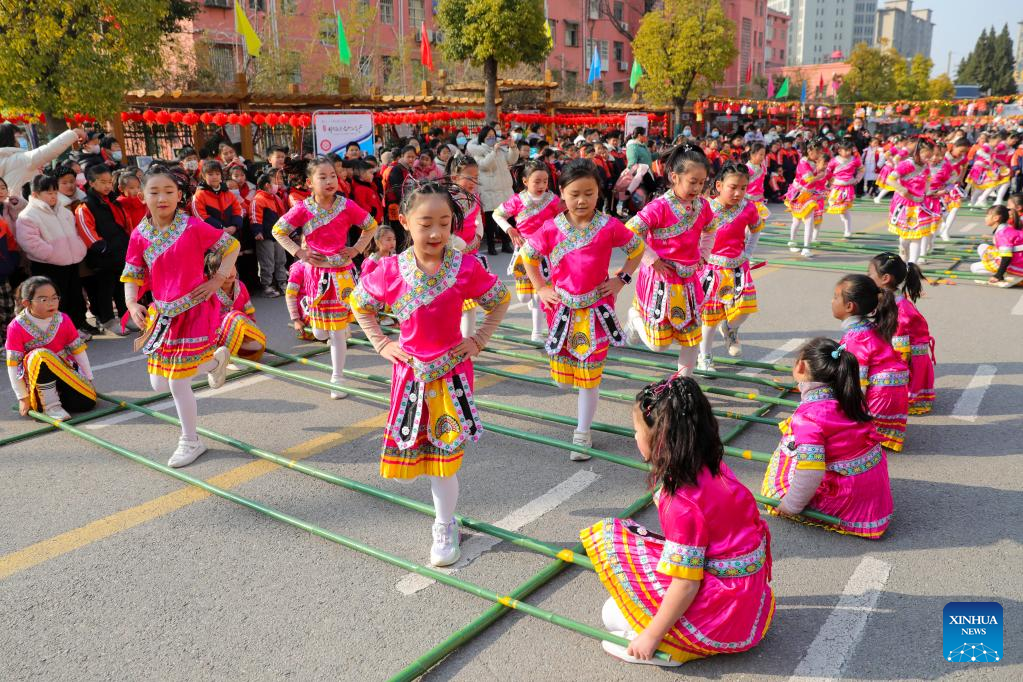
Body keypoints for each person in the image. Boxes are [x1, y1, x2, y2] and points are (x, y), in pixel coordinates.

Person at [351, 180, 510, 567]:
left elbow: (499, 299)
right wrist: (381, 343)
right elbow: (359, 302)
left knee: (446, 455)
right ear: (404, 221)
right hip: (410, 377)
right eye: (426, 223)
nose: (437, 232)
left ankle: (444, 524)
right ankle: (444, 519)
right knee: (425, 453)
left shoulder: (466, 266)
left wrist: (478, 340)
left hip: (452, 375)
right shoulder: (390, 269)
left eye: (445, 222)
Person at [580, 374, 774, 666]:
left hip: (723, 609)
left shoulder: (680, 503)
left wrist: (651, 636)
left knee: (612, 614)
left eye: (637, 430)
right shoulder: (713, 464)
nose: (634, 437)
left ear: (659, 440)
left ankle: (674, 650)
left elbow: (685, 585)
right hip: (749, 593)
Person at [522, 160, 644, 455]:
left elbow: (636, 249)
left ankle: (582, 432)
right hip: (561, 313)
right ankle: (579, 416)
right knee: (564, 382)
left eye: (589, 193)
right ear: (562, 192)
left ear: (598, 193)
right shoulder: (551, 228)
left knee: (590, 378)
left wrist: (621, 280)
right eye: (575, 193)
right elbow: (528, 256)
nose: (581, 200)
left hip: (596, 311)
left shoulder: (609, 226)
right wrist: (540, 286)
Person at [121, 164, 237, 467]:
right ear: (141, 196)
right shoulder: (139, 234)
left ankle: (190, 440)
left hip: (195, 308)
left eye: (169, 191)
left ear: (179, 195)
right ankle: (215, 361)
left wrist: (217, 279)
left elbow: (232, 246)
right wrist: (133, 304)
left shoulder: (193, 226)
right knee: (158, 383)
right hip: (162, 314)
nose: (162, 198)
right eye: (154, 192)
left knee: (176, 381)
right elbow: (131, 274)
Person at [761, 337, 893, 538]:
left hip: (849, 497)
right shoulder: (848, 396)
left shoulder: (808, 416)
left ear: (801, 366)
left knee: (775, 485)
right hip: (874, 488)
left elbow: (811, 472)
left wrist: (790, 505)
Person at [272, 157, 377, 397]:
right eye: (323, 177)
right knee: (320, 331)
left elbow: (371, 225)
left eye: (333, 176)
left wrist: (357, 249)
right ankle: (317, 322)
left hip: (340, 273)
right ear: (309, 182)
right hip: (315, 274)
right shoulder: (302, 208)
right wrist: (299, 252)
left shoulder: (346, 205)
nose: (330, 181)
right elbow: (278, 231)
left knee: (337, 331)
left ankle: (337, 377)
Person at [624, 145, 713, 376]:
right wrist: (651, 259)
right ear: (675, 177)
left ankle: (685, 382)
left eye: (702, 183)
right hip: (660, 278)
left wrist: (704, 254)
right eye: (692, 182)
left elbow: (710, 229)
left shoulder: (702, 206)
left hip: (688, 279)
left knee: (691, 336)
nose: (698, 188)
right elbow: (631, 231)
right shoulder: (659, 207)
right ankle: (635, 319)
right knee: (659, 344)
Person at [832, 274, 909, 452]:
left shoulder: (856, 337)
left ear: (849, 306)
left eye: (836, 297)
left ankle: (867, 430)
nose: (832, 301)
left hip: (881, 398)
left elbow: (858, 384)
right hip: (894, 397)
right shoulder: (870, 328)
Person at [699, 163, 764, 367]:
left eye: (743, 188)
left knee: (744, 308)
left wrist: (748, 253)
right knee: (710, 318)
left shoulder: (748, 208)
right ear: (719, 185)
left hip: (738, 267)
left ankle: (730, 328)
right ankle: (705, 356)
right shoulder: (705, 208)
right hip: (712, 269)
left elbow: (755, 229)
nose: (738, 193)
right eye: (733, 187)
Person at [6, 276, 96, 420]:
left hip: (63, 369)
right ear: (27, 303)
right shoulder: (16, 327)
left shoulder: (63, 319)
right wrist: (22, 397)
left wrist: (88, 379)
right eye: (43, 299)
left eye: (54, 298)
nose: (51, 303)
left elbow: (78, 351)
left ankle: (59, 395)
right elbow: (13, 365)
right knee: (41, 355)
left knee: (85, 404)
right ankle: (51, 406)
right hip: (36, 379)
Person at [492, 159, 563, 341]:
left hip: (545, 255)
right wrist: (510, 229)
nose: (541, 185)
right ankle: (534, 306)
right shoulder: (517, 200)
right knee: (525, 298)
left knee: (540, 293)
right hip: (523, 252)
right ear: (525, 181)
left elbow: (563, 218)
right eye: (537, 181)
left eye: (545, 181)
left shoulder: (553, 200)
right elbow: (497, 214)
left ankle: (537, 332)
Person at [15, 175, 89, 336]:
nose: (53, 196)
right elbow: (29, 242)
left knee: (74, 296)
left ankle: (74, 329)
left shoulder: (64, 211)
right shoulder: (28, 215)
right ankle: (57, 333)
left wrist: (78, 248)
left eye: (55, 192)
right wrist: (51, 253)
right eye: (48, 193)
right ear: (35, 195)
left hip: (71, 262)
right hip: (47, 265)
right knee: (53, 300)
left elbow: (76, 232)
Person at [869, 253, 934, 415]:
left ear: (885, 278)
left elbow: (901, 352)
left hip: (907, 360)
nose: (867, 277)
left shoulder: (900, 309)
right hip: (899, 354)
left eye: (870, 274)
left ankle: (905, 392)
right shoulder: (886, 298)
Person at [75, 164, 130, 336]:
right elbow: (86, 229)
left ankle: (125, 316)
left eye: (109, 181)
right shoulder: (86, 205)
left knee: (122, 287)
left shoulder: (114, 200)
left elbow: (125, 221)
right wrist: (101, 247)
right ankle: (108, 320)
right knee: (105, 290)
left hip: (120, 252)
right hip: (103, 257)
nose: (107, 185)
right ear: (92, 183)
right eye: (102, 182)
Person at [447, 155, 488, 338]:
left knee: (469, 301)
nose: (474, 182)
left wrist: (478, 236)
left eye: (476, 178)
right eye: (469, 177)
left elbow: (478, 219)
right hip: (451, 255)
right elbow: (444, 228)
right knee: (451, 302)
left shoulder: (475, 197)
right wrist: (460, 244)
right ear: (454, 178)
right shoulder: (446, 199)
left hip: (471, 254)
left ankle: (466, 339)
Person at [206, 250, 265, 362]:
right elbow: (206, 322)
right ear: (214, 274)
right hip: (216, 337)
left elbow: (249, 313)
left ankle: (235, 353)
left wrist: (250, 334)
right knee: (234, 317)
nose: (230, 272)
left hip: (239, 332)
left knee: (257, 345)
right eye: (224, 269)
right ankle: (225, 357)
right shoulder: (210, 291)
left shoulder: (241, 286)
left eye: (232, 266)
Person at [468, 126, 519, 256]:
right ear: (483, 138)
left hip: (504, 190)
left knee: (506, 218)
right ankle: (491, 245)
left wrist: (513, 148)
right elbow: (485, 165)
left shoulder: (500, 149)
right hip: (489, 190)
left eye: (493, 136)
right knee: (491, 221)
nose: (492, 139)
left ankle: (505, 243)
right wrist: (493, 151)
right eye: (488, 137)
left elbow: (511, 159)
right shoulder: (478, 152)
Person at [0, 123, 87, 195]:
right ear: (9, 139)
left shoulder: (5, 159)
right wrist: (74, 133)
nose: (21, 139)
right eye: (17, 136)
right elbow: (49, 150)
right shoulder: (19, 160)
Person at [887, 137, 935, 265]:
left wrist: (926, 191)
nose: (928, 160)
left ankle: (912, 264)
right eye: (926, 156)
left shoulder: (926, 166)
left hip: (918, 203)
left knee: (917, 234)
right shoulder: (906, 165)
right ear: (917, 153)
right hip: (904, 203)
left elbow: (929, 178)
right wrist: (902, 190)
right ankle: (903, 249)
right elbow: (890, 179)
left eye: (930, 157)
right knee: (905, 238)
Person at [784, 141, 828, 257]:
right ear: (810, 151)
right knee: (797, 221)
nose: (819, 155)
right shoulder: (803, 163)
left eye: (820, 152)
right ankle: (792, 242)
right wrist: (820, 175)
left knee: (809, 221)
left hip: (810, 194)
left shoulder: (813, 162)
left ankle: (806, 247)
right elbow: (809, 179)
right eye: (817, 152)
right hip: (800, 194)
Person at [249, 171, 288, 298]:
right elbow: (255, 216)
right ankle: (267, 285)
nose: (277, 184)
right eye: (274, 182)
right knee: (267, 261)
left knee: (280, 260)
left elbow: (283, 216)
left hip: (278, 235)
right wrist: (257, 231)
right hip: (265, 236)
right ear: (267, 185)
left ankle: (282, 283)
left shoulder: (276, 198)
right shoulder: (258, 199)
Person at [970, 204, 1023, 284]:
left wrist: (998, 275)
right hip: (1016, 256)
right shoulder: (1005, 227)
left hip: (1017, 262)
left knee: (974, 268)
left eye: (987, 216)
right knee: (982, 247)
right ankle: (1007, 274)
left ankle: (1008, 275)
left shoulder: (1002, 233)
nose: (985, 218)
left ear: (996, 218)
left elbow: (1006, 257)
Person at [191, 160, 243, 235]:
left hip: (232, 234)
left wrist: (235, 226)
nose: (214, 177)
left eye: (217, 174)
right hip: (211, 236)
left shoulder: (228, 193)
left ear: (221, 175)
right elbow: (200, 216)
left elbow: (238, 210)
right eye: (210, 174)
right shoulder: (199, 195)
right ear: (203, 176)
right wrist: (221, 228)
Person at [825, 139, 864, 238]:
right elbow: (827, 171)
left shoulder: (855, 160)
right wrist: (829, 181)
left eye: (849, 150)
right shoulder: (834, 160)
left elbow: (862, 169)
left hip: (847, 188)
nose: (847, 152)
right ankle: (844, 221)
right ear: (839, 151)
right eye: (844, 150)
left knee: (844, 210)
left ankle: (848, 230)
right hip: (836, 187)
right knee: (833, 205)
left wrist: (857, 179)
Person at [938, 138, 972, 241]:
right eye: (961, 151)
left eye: (965, 152)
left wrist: (961, 178)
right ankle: (943, 226)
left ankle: (946, 231)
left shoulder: (962, 157)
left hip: (954, 186)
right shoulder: (943, 155)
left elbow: (965, 165)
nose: (963, 153)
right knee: (942, 211)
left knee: (955, 207)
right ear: (954, 146)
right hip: (941, 186)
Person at [873, 136, 907, 205]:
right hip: (890, 169)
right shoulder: (895, 148)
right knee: (891, 186)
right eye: (904, 142)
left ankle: (897, 200)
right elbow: (886, 155)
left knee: (895, 186)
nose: (905, 144)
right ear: (899, 142)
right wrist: (892, 162)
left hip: (895, 169)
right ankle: (878, 197)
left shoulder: (901, 149)